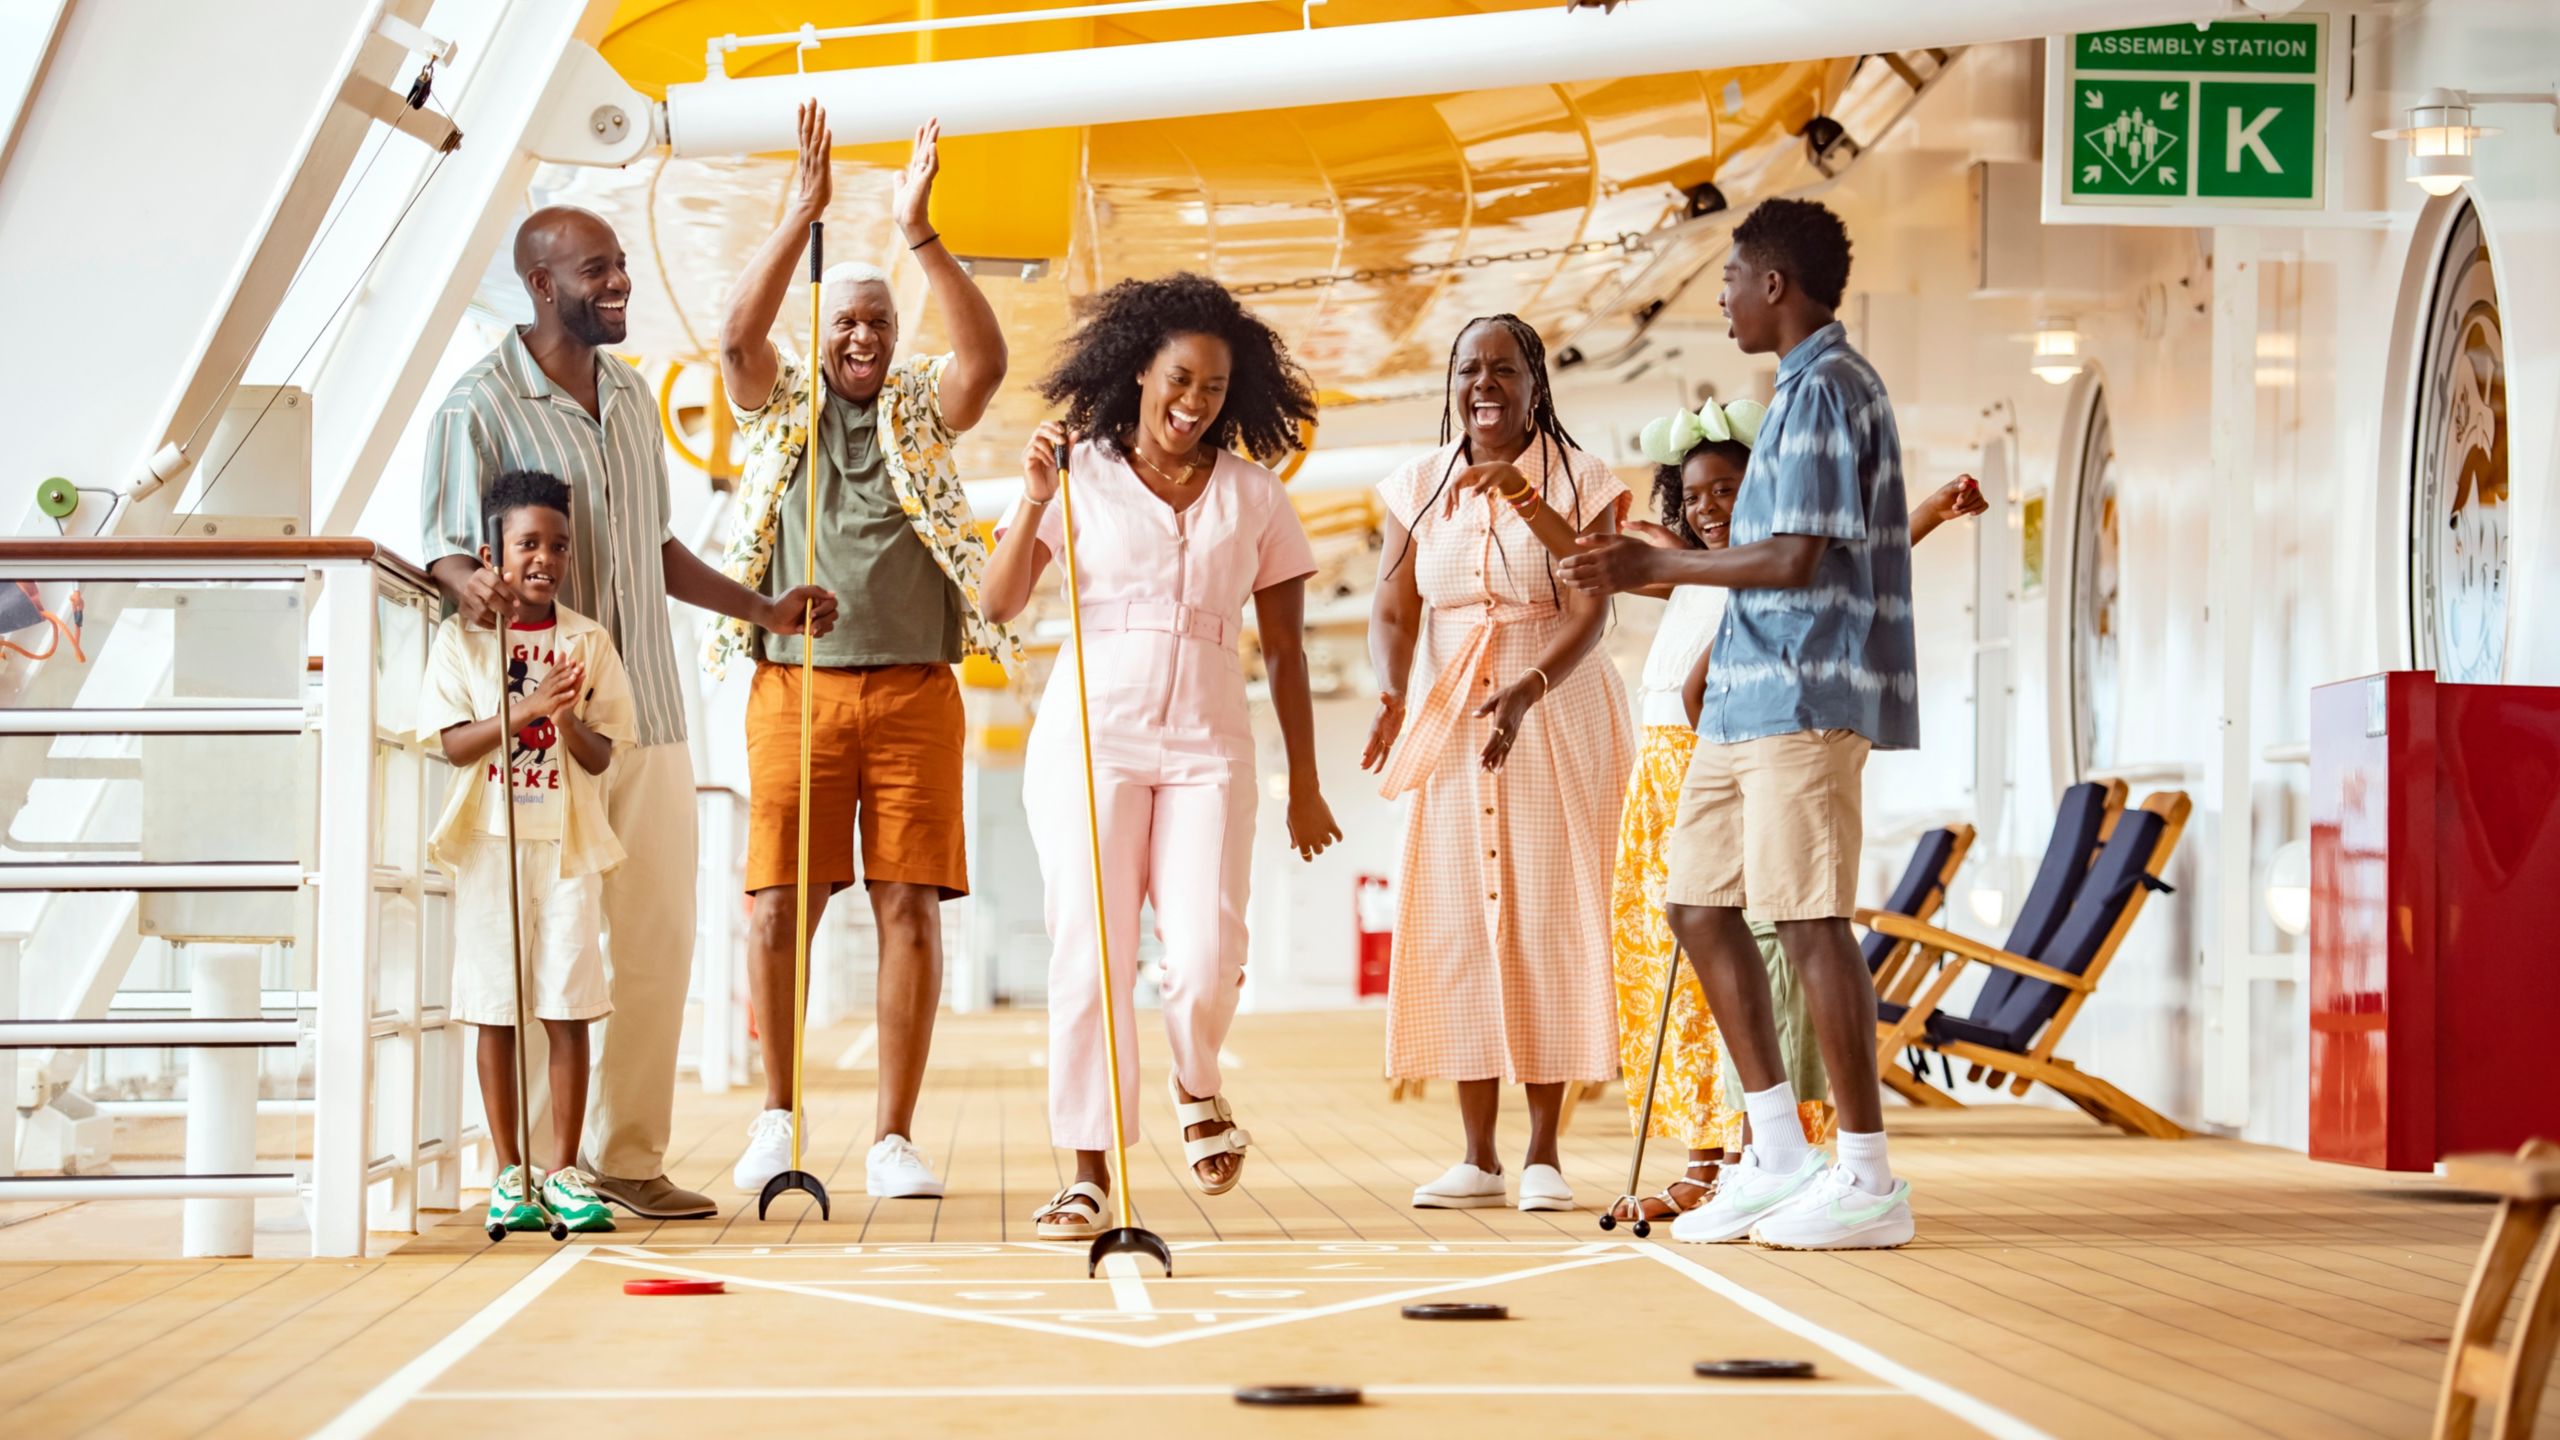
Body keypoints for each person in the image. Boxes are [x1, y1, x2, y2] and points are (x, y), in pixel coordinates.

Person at [423, 207, 835, 1222]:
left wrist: (762, 607)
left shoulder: (635, 399)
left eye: (620, 269)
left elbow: (654, 551)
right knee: (536, 955)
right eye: (596, 271)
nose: (618, 287)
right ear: (539, 281)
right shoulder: (475, 406)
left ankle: (626, 1160)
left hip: (645, 706)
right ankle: (523, 1174)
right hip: (538, 729)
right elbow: (442, 546)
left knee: (655, 944)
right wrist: (463, 580)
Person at [1562, 197, 1924, 1249]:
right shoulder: (1790, 396)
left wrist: (1658, 564)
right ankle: (1776, 1154)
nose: (1716, 298)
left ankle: (1867, 1179)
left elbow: (1794, 558)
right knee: (1696, 905)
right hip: (1740, 700)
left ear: (1774, 285)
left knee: (1808, 920)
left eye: (1727, 279)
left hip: (1803, 696)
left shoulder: (1825, 392)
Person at [979, 273, 1342, 1239]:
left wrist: (1306, 783)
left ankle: (1196, 1081)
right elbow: (998, 602)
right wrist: (1031, 501)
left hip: (1210, 740)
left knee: (1209, 951)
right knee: (1088, 955)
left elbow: (1292, 650)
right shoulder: (1079, 471)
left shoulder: (1257, 495)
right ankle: (1090, 1170)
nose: (1193, 404)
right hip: (1093, 735)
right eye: (1180, 379)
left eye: (1215, 389)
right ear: (1140, 370)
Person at [705, 104, 1017, 1202]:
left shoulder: (922, 407)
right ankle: (776, 1121)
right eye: (847, 323)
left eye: (879, 323)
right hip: (791, 690)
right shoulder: (779, 399)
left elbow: (986, 360)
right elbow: (737, 343)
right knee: (778, 905)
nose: (863, 339)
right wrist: (805, 211)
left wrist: (916, 234)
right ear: (824, 329)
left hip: (917, 692)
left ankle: (892, 1139)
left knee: (908, 905)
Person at [1586, 400, 1983, 1226]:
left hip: (1725, 750)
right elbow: (1600, 561)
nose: (1708, 508)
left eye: (1727, 489)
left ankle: (1757, 1151)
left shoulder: (1770, 570)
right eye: (1693, 496)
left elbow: (1864, 563)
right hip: (1663, 773)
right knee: (1672, 956)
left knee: (1756, 952)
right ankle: (1716, 1150)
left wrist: (1934, 512)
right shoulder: (1685, 566)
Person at [1360, 314, 1634, 1215]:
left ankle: (1545, 1152)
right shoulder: (1413, 483)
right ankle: (1476, 1157)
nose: (1485, 384)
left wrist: (1531, 688)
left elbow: (1594, 604)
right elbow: (1394, 609)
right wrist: (1391, 692)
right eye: (1469, 369)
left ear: (1535, 382)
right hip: (1451, 719)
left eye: (1503, 369)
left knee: (1548, 917)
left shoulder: (1583, 478)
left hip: (1555, 712)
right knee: (1454, 923)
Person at [423, 471, 634, 1237]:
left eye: (558, 546)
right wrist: (526, 711)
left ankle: (565, 1169)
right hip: (491, 845)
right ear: (492, 554)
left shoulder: (589, 641)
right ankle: (510, 1173)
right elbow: (452, 745)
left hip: (566, 848)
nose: (544, 558)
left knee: (568, 1007)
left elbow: (602, 755)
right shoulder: (462, 639)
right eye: (528, 544)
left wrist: (564, 715)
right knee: (495, 1009)